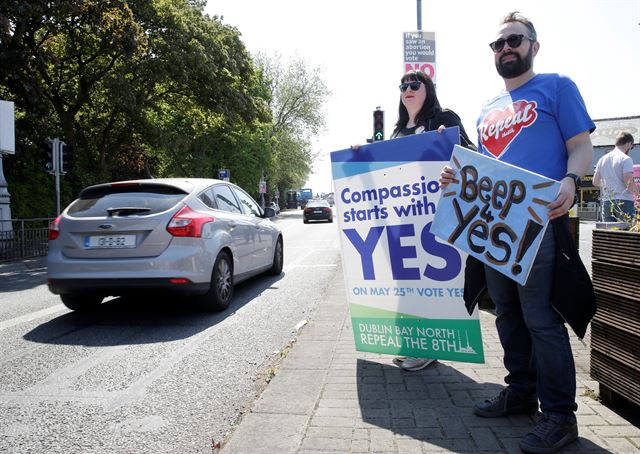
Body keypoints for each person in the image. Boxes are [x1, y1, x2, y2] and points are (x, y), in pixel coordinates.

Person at [439, 12, 594, 454]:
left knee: (541, 318)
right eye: (498, 44)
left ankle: (560, 416)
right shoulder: (487, 109)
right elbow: (482, 170)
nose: (505, 48)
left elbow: (581, 145)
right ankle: (521, 392)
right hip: (493, 227)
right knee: (506, 312)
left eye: (514, 40)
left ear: (533, 46)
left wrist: (570, 180)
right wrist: (459, 181)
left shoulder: (557, 86)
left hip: (539, 222)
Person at [355, 70, 474, 372]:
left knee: (430, 281)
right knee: (407, 285)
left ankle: (428, 347)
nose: (408, 89)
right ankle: (414, 342)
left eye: (414, 84)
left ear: (428, 89)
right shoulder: (397, 132)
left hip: (434, 215)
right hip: (402, 219)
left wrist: (453, 140)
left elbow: (471, 155)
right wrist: (360, 156)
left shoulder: (443, 118)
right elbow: (383, 173)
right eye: (403, 86)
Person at [593, 131, 639, 223]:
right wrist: (638, 193)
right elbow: (628, 183)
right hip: (624, 200)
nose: (630, 148)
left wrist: (610, 184)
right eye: (632, 147)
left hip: (607, 201)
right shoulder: (626, 159)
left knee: (610, 235)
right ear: (629, 143)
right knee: (627, 233)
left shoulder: (602, 159)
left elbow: (595, 182)